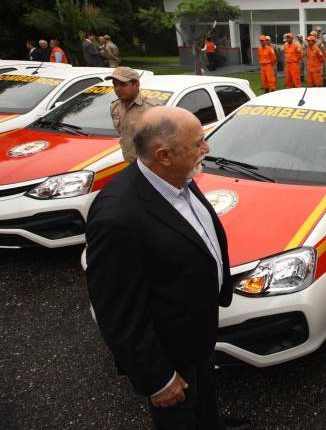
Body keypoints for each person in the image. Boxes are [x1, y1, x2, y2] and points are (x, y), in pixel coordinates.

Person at [85, 106, 247, 430]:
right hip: (169, 354)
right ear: (164, 155)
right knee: (179, 417)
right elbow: (118, 313)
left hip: (196, 332)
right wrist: (157, 379)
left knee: (204, 397)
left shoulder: (176, 176)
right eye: (198, 143)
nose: (207, 149)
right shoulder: (117, 218)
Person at [107, 67, 160, 163]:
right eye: (115, 85)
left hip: (150, 165)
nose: (118, 89)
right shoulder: (115, 107)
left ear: (136, 84)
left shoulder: (152, 109)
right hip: (129, 162)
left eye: (123, 85)